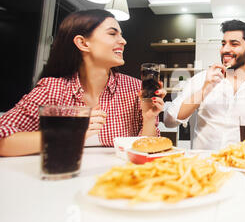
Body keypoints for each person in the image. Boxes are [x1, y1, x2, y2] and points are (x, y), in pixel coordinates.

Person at [0, 9, 166, 157]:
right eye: (112, 33)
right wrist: (71, 132)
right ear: (83, 43)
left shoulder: (135, 88)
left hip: (118, 181)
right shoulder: (52, 89)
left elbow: (147, 151)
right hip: (62, 180)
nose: (123, 41)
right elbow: (3, 140)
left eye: (121, 34)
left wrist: (149, 119)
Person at [164, 19, 245, 150]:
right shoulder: (202, 79)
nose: (225, 49)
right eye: (223, 44)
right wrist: (204, 90)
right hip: (203, 166)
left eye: (234, 44)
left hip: (241, 166)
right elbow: (170, 121)